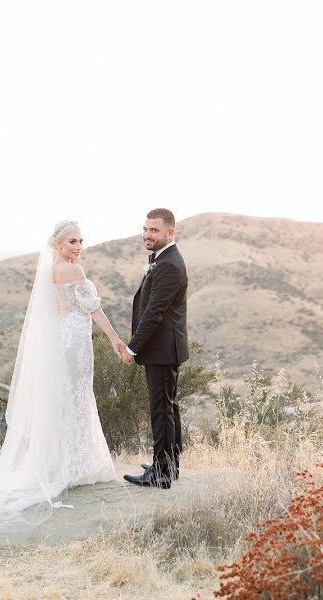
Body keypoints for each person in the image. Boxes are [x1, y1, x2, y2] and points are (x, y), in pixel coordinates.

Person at [0, 220, 123, 532]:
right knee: (77, 397)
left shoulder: (50, 269)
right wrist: (116, 339)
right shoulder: (74, 271)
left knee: (67, 399)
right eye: (72, 243)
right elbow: (93, 310)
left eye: (81, 241)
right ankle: (77, 466)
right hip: (76, 339)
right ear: (58, 244)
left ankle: (62, 465)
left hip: (63, 337)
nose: (79, 247)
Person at [120, 208, 189, 490]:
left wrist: (132, 348)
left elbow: (154, 312)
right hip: (165, 347)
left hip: (162, 349)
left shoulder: (170, 264)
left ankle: (162, 473)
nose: (148, 234)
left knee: (161, 410)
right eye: (146, 229)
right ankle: (168, 465)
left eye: (155, 230)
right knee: (168, 408)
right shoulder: (162, 259)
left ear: (170, 232)